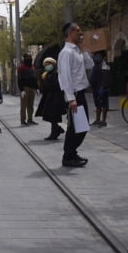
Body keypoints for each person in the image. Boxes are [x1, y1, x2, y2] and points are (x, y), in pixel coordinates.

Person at [58, 22, 90, 168]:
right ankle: (68, 156)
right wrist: (71, 99)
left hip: (81, 93)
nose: (80, 33)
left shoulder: (77, 50)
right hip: (75, 95)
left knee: (82, 126)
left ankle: (71, 153)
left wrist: (83, 49)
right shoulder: (66, 52)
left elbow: (90, 65)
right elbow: (65, 77)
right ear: (70, 33)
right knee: (76, 127)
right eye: (78, 30)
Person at [35, 57, 66, 140]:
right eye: (46, 65)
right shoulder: (46, 74)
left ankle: (56, 132)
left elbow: (55, 85)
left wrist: (46, 86)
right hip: (49, 97)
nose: (47, 66)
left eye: (49, 64)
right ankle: (57, 130)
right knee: (51, 116)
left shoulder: (55, 73)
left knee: (53, 116)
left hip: (55, 97)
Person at [89, 50, 111, 127]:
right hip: (95, 88)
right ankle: (97, 119)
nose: (96, 57)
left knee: (104, 105)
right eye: (95, 56)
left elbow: (106, 78)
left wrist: (103, 87)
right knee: (97, 104)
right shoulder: (96, 64)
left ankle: (103, 121)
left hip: (102, 89)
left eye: (98, 56)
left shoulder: (105, 65)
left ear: (102, 57)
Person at [17, 53, 38, 126]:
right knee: (23, 106)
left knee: (31, 105)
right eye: (28, 57)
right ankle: (23, 121)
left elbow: (35, 78)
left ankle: (30, 119)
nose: (30, 58)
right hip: (25, 88)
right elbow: (19, 79)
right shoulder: (21, 67)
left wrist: (36, 87)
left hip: (32, 88)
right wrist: (22, 90)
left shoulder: (32, 67)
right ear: (24, 58)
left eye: (30, 57)